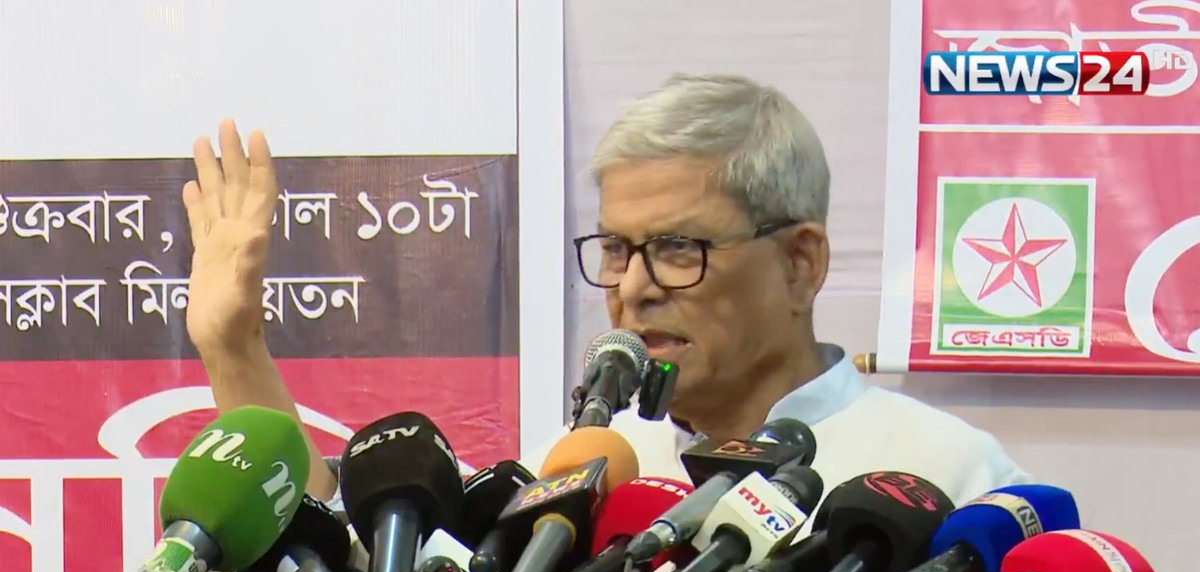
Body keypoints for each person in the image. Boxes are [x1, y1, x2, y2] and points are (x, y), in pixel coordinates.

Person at [180, 72, 1029, 513]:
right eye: (617, 249)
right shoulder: (589, 467)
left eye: (678, 247)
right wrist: (234, 348)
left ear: (801, 263)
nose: (634, 288)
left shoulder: (946, 475)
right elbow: (362, 565)